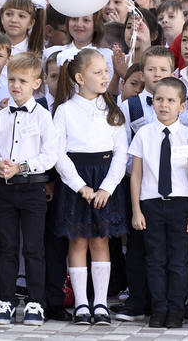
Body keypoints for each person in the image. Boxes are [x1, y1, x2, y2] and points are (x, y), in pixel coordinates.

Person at [52, 48, 128, 326]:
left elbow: (122, 153)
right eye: (99, 72)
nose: (105, 76)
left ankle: (100, 303)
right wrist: (79, 186)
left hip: (106, 180)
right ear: (80, 78)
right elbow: (58, 153)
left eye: (106, 71)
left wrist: (107, 187)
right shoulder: (65, 110)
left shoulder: (112, 109)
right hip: (76, 181)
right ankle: (82, 303)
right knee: (78, 240)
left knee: (101, 240)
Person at [0, 53, 58, 326]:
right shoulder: (1, 117)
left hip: (33, 190)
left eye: (23, 81)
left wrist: (21, 167)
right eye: (12, 79)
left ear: (36, 83)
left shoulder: (43, 116)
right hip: (5, 189)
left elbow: (49, 156)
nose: (15, 85)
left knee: (33, 248)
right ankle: (5, 300)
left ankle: (35, 302)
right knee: (6, 246)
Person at [129, 77, 188, 328]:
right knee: (155, 260)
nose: (164, 105)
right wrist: (136, 210)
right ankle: (159, 309)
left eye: (171, 100)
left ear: (182, 106)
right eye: (159, 99)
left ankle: (176, 310)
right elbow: (136, 175)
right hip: (151, 205)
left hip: (181, 204)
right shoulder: (144, 135)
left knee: (179, 260)